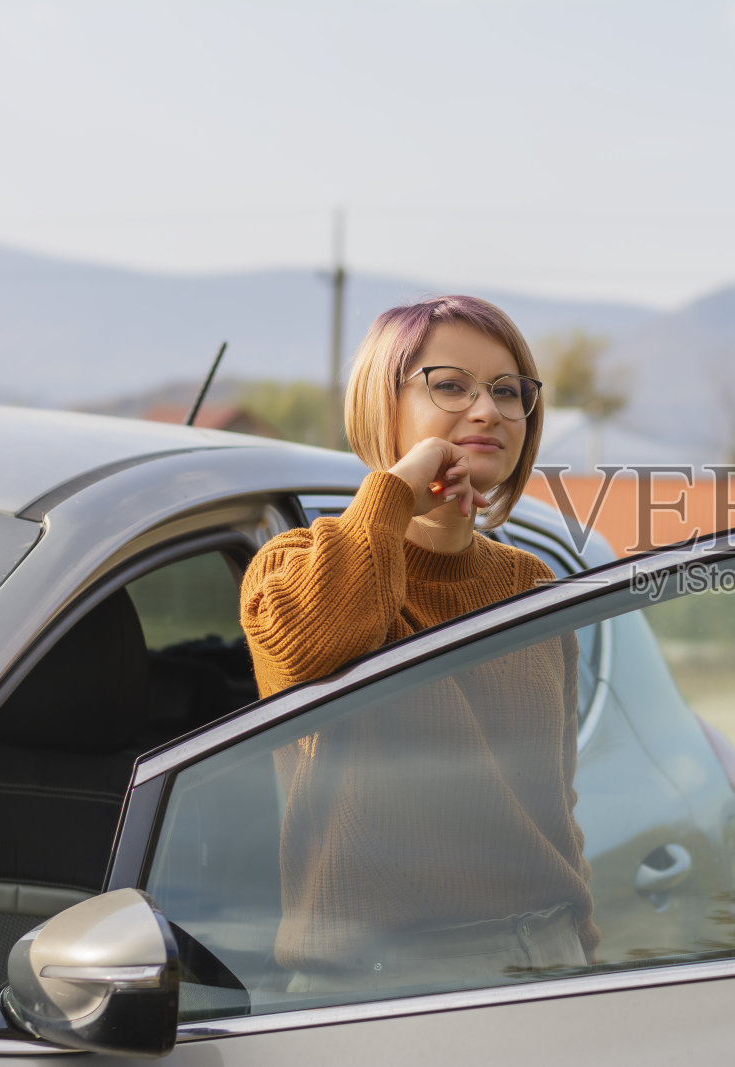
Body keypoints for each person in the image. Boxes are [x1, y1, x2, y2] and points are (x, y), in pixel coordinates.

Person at [239, 295, 596, 991]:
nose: (487, 411)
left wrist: (580, 943)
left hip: (543, 958)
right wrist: (397, 487)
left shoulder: (532, 583)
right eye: (450, 385)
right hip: (376, 980)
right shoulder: (293, 564)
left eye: (506, 390)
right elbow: (318, 636)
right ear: (383, 402)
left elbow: (554, 798)